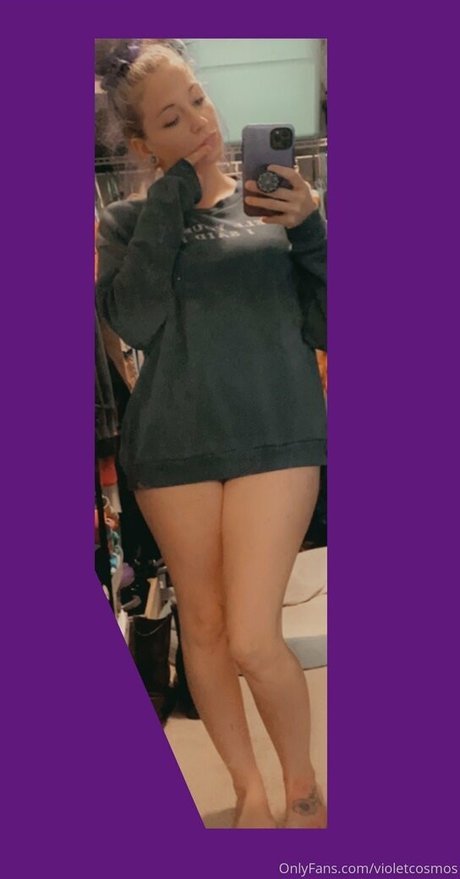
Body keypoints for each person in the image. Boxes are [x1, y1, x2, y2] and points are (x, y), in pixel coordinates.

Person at [96, 39, 327, 829]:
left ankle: (302, 785)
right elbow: (134, 319)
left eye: (197, 97)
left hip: (276, 431)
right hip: (173, 447)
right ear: (141, 143)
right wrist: (173, 194)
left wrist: (311, 229)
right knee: (202, 625)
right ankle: (250, 787)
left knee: (254, 636)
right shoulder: (128, 220)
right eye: (171, 118)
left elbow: (332, 320)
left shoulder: (278, 204)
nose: (199, 121)